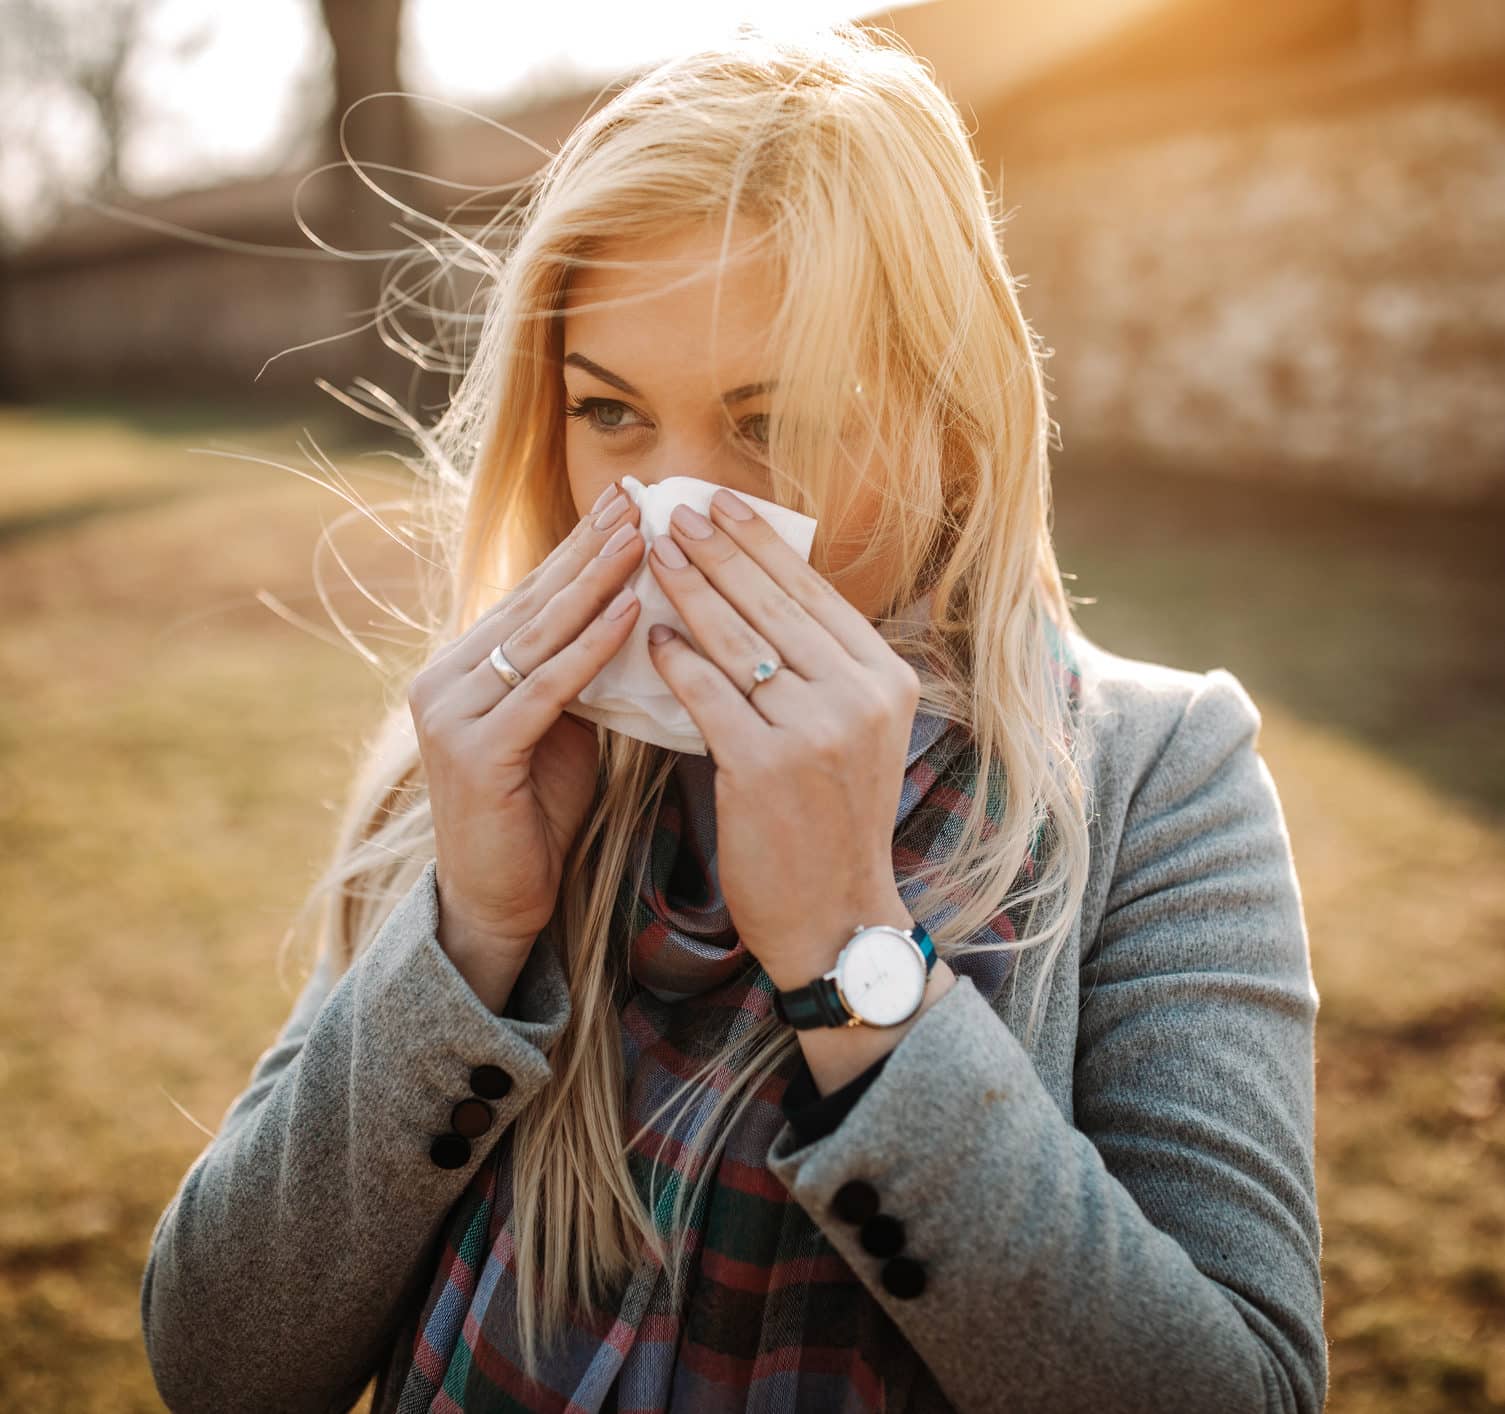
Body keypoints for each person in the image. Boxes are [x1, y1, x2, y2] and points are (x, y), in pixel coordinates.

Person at [139, 22, 1327, 1414]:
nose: (676, 520)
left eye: (772, 420)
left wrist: (848, 954)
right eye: (613, 415)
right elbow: (216, 1357)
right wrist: (466, 939)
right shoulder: (484, 765)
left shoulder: (1154, 784)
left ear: (952, 419)